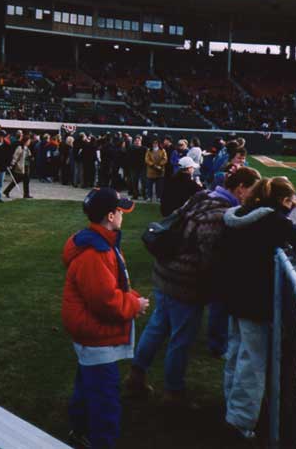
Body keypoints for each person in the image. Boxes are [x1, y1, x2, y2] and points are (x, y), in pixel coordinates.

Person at [61, 188, 150, 449]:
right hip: (95, 337)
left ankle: (80, 431)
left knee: (87, 386)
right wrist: (134, 304)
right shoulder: (96, 252)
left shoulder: (101, 243)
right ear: (110, 216)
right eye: (120, 211)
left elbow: (112, 287)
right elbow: (106, 302)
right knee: (105, 401)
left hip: (90, 334)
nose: (123, 215)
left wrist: (131, 297)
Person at [220, 177, 296, 442]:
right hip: (256, 300)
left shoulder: (237, 214)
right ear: (282, 200)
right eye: (289, 202)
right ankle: (240, 420)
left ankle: (231, 408)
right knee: (252, 362)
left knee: (236, 354)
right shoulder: (274, 221)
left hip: (233, 294)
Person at [126, 185, 229, 406]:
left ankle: (136, 375)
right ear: (240, 189)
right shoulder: (217, 214)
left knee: (157, 326)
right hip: (185, 282)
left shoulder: (201, 198)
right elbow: (209, 257)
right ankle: (173, 392)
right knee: (181, 338)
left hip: (166, 271)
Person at [203, 166, 262, 358]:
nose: (253, 195)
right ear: (241, 187)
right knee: (218, 305)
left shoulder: (218, 197)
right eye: (252, 190)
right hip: (211, 264)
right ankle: (218, 345)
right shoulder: (223, 205)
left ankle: (218, 342)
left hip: (207, 264)